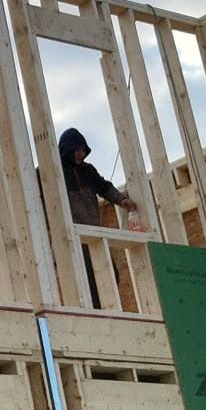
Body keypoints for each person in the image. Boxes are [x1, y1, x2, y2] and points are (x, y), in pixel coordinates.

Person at [57, 127, 145, 307]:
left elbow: (104, 187)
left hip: (93, 234)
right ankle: (94, 312)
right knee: (86, 280)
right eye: (78, 149)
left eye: (83, 150)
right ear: (68, 149)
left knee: (109, 273)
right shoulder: (54, 174)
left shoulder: (88, 171)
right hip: (72, 238)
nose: (82, 153)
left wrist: (121, 200)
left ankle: (106, 310)